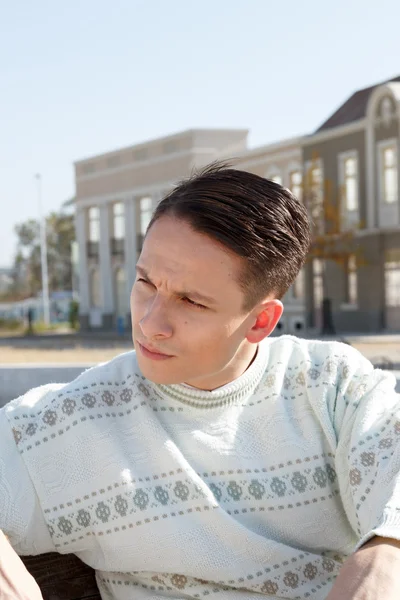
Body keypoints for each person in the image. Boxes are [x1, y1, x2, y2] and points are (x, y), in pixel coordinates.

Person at [1, 164, 400, 600]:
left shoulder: (333, 388)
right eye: (145, 282)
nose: (150, 324)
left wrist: (387, 551)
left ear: (260, 322)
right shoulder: (78, 419)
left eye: (189, 300)